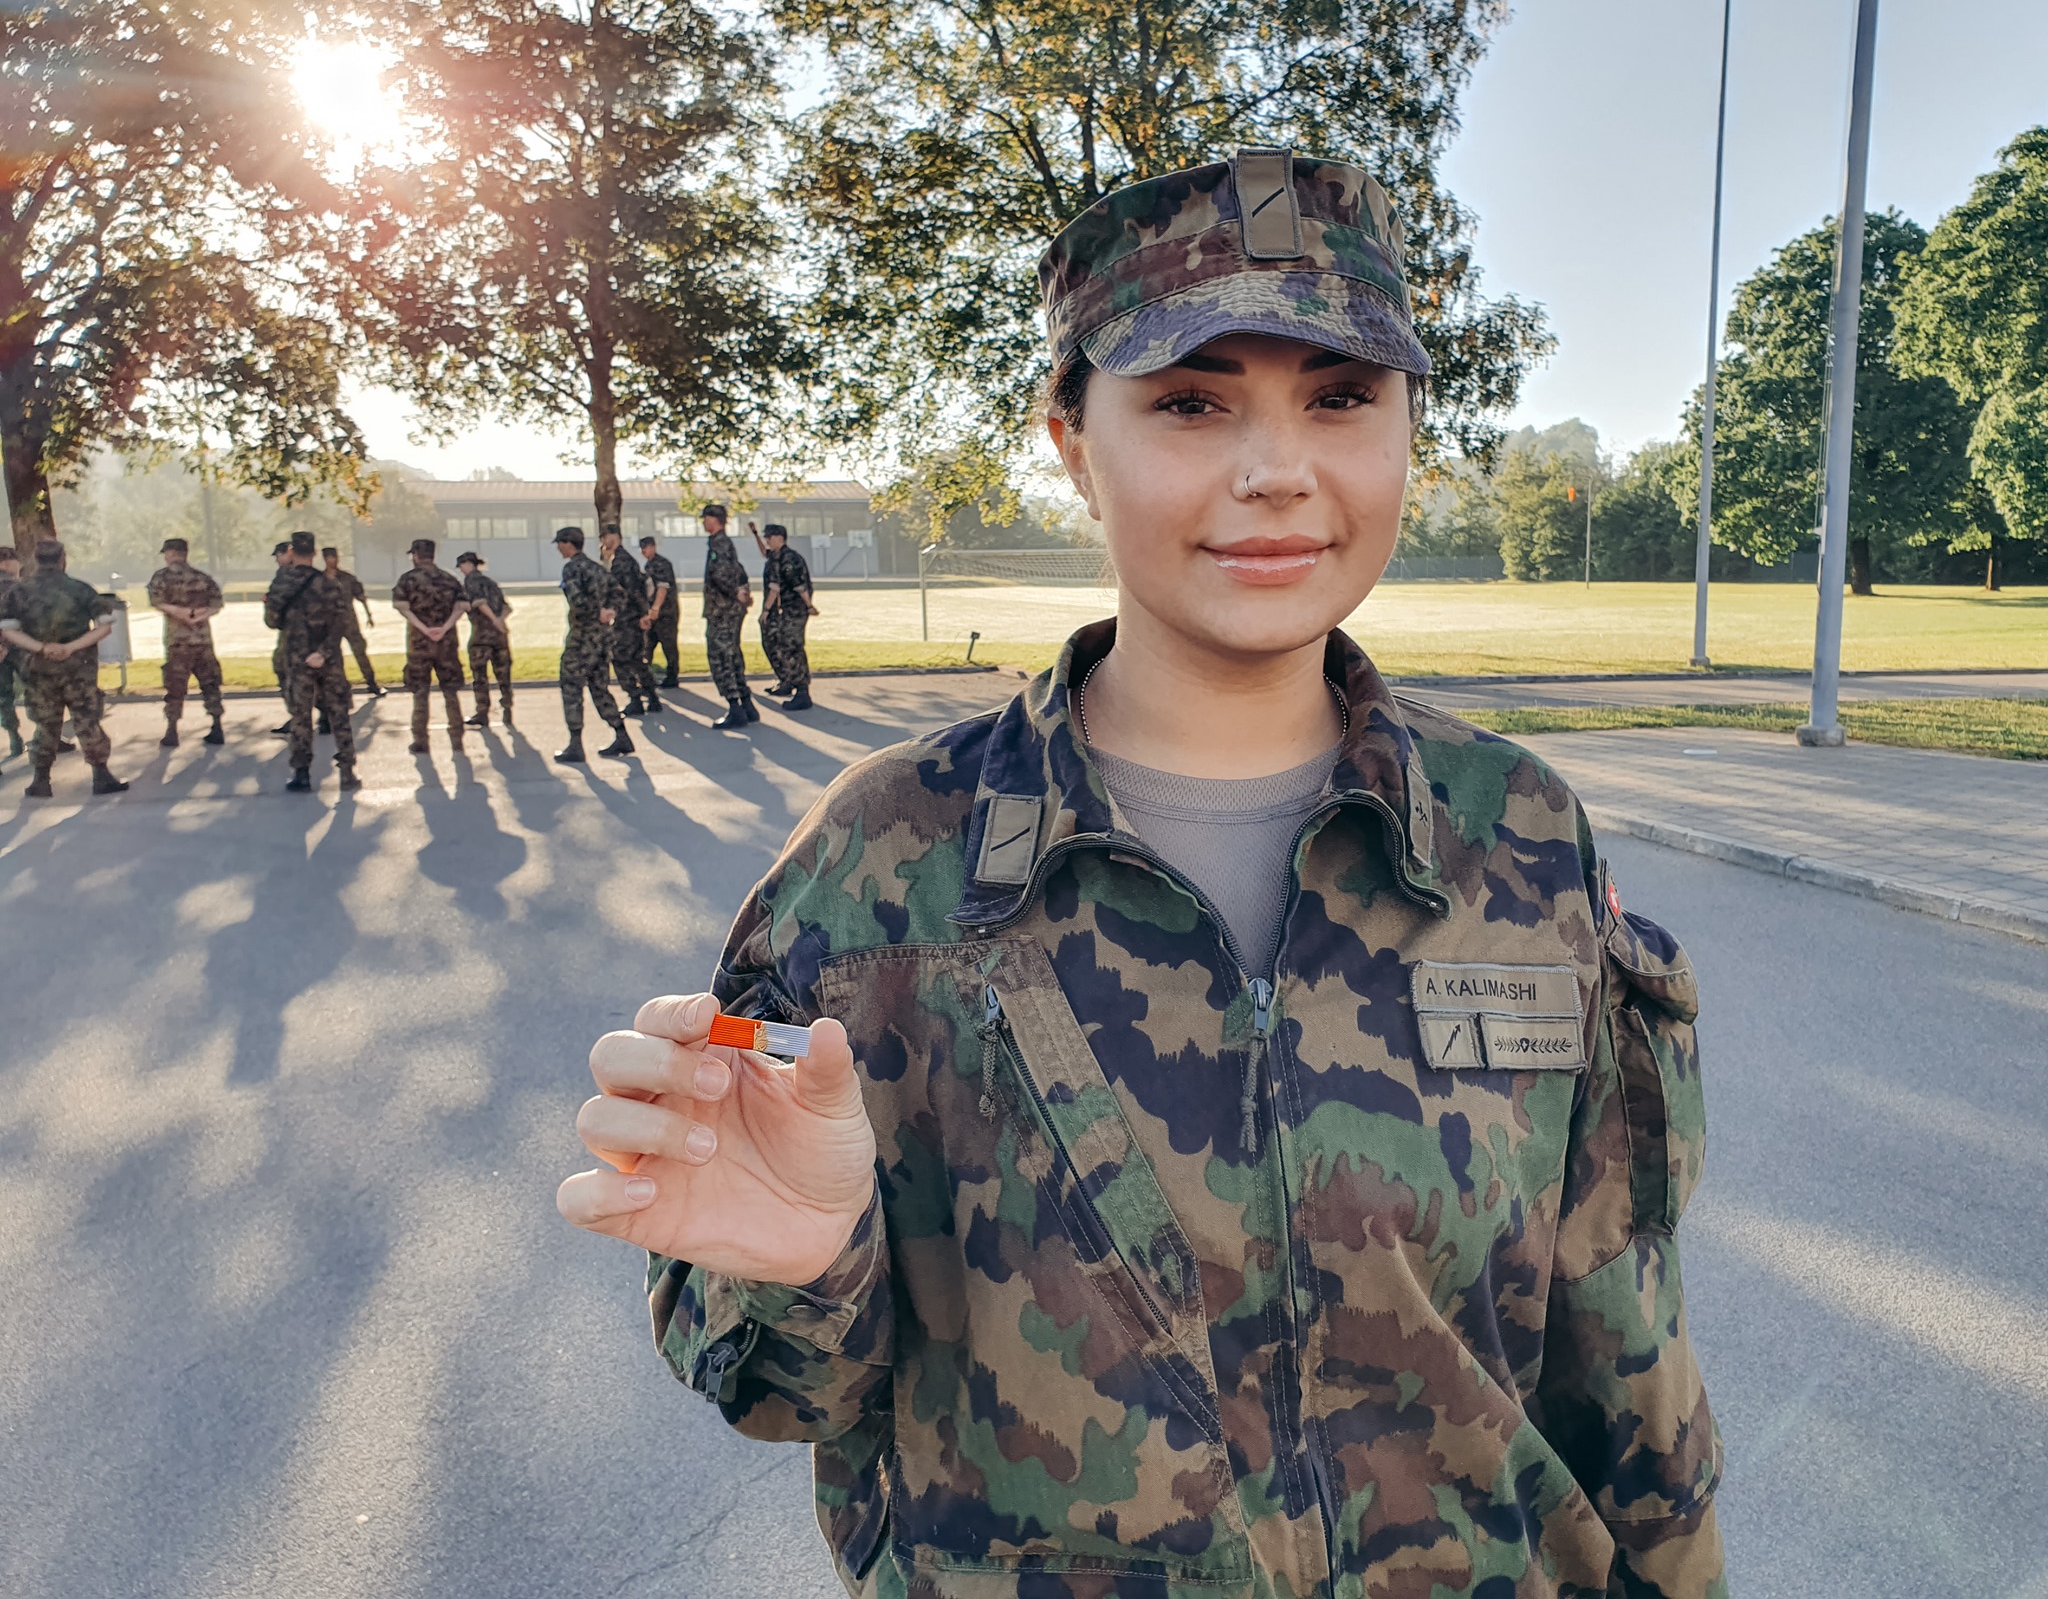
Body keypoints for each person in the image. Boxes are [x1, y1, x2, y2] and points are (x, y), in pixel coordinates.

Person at [559, 150, 1727, 1598]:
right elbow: (784, 1390)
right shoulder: (887, 865)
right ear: (1070, 438)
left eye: (1342, 395)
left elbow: (1627, 1364)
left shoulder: (1523, 836)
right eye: (1191, 400)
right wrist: (797, 1266)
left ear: (1407, 425)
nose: (1278, 467)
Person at [0, 539, 127, 796]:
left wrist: (41, 647)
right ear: (63, 559)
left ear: (36, 559)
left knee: (46, 724)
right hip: (78, 668)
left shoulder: (19, 591)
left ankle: (40, 780)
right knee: (86, 720)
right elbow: (104, 626)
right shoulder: (81, 590)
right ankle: (101, 775)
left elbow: (7, 629)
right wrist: (71, 647)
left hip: (39, 669)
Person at [264, 530, 358, 792]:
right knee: (339, 713)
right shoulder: (329, 583)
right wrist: (324, 652)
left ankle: (302, 773)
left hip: (297, 658)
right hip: (329, 660)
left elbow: (271, 621)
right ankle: (347, 771)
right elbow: (342, 621)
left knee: (301, 717)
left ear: (292, 552)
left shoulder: (282, 583)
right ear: (315, 553)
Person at [552, 526, 632, 763]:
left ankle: (575, 743)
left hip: (582, 638)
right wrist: (610, 611)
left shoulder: (572, 568)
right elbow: (620, 593)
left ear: (569, 544)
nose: (558, 547)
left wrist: (597, 612)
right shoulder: (598, 568)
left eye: (560, 543)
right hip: (602, 638)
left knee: (571, 686)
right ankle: (621, 734)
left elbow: (576, 600)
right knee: (599, 687)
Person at [144, 538, 226, 748]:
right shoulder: (203, 578)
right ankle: (217, 726)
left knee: (175, 686)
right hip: (203, 641)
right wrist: (198, 616)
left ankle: (172, 730)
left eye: (167, 553)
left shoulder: (161, 577)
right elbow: (217, 604)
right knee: (210, 684)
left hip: (177, 641)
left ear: (171, 553)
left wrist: (180, 613)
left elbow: (157, 601)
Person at [391, 537, 469, 754]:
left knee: (420, 693)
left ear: (415, 555)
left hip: (419, 643)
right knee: (450, 692)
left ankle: (420, 739)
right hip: (446, 642)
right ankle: (457, 738)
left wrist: (424, 628)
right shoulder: (449, 579)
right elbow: (463, 605)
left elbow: (402, 607)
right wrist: (444, 627)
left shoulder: (408, 580)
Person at [746, 519, 817, 711]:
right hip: (782, 610)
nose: (767, 540)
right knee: (773, 643)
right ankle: (786, 680)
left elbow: (786, 587)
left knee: (793, 648)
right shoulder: (775, 556)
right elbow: (764, 551)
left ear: (779, 538)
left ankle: (802, 691)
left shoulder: (788, 559)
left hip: (793, 610)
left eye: (769, 537)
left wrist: (809, 606)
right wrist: (755, 535)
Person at [698, 503, 756, 729]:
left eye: (705, 518)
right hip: (727, 609)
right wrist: (741, 590)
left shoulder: (719, 543)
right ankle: (747, 705)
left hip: (722, 611)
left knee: (721, 657)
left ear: (715, 519)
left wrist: (735, 592)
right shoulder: (723, 543)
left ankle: (735, 708)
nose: (703, 522)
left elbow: (723, 575)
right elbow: (738, 570)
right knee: (733, 655)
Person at [600, 526, 660, 717]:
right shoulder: (621, 560)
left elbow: (631, 591)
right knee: (636, 659)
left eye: (605, 536)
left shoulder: (621, 562)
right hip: (632, 617)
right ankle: (651, 697)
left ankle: (635, 698)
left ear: (615, 537)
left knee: (620, 658)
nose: (603, 541)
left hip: (627, 619)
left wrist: (642, 614)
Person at [454, 551, 514, 727]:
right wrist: (501, 622)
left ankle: (482, 712)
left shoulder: (471, 582)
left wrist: (494, 621)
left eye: (461, 566)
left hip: (482, 635)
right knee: (503, 674)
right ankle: (507, 708)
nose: (461, 570)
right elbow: (507, 608)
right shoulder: (491, 583)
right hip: (500, 636)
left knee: (480, 675)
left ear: (468, 564)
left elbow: (480, 603)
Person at [322, 546, 385, 697]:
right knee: (333, 656)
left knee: (360, 652)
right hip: (330, 624)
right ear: (325, 559)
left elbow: (361, 596)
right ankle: (338, 687)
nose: (333, 560)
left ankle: (371, 683)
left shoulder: (347, 578)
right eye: (330, 557)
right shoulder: (320, 579)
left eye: (335, 557)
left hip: (349, 622)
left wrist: (369, 615)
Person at [638, 534, 680, 688]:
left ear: (653, 547)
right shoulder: (649, 565)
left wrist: (655, 608)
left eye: (646, 548)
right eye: (642, 548)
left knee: (668, 645)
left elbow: (663, 588)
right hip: (654, 612)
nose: (644, 551)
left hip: (666, 612)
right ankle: (646, 675)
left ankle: (672, 675)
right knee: (648, 644)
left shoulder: (662, 564)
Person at [0, 546, 24, 761]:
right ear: (7, 563)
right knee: (38, 690)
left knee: (3, 697)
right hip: (20, 647)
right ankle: (44, 736)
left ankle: (14, 735)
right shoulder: (17, 587)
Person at [268, 541, 294, 735]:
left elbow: (274, 608)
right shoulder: (314, 575)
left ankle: (297, 716)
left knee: (283, 669)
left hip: (290, 635)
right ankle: (325, 714)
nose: (277, 559)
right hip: (316, 636)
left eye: (279, 554)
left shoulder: (284, 577)